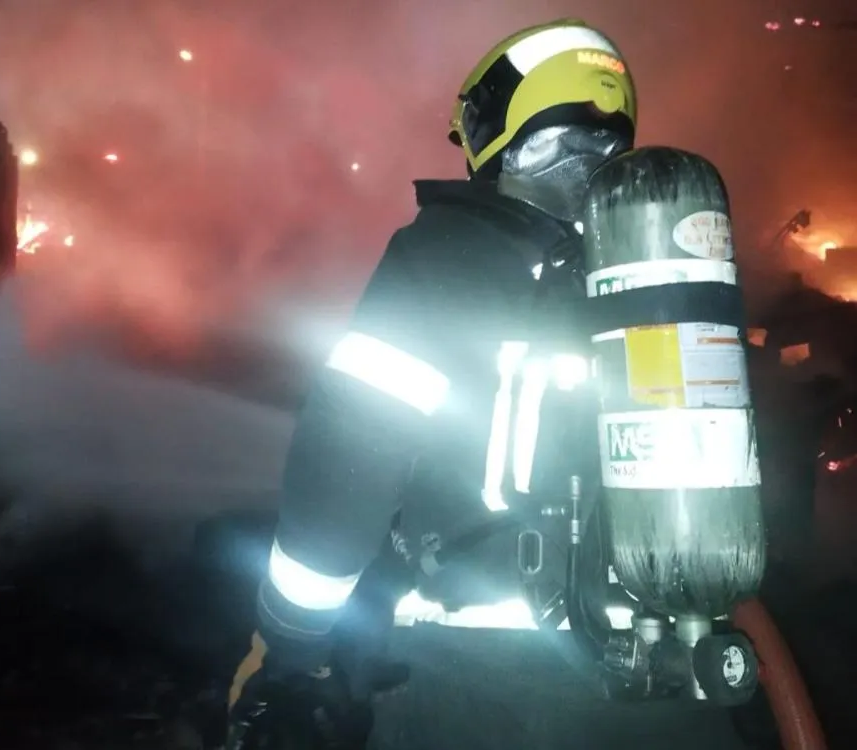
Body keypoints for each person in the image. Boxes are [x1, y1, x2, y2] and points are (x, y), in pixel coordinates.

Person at [224, 17, 747, 750]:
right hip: (678, 684)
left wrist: (288, 642)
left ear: (503, 118)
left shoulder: (446, 254)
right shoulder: (662, 279)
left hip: (489, 689)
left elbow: (344, 465)